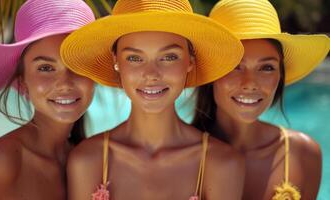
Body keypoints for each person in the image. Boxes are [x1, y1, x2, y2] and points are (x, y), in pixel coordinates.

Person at [60, 0, 246, 199]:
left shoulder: (222, 164)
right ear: (116, 62)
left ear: (190, 62)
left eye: (168, 57)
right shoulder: (86, 160)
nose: (151, 74)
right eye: (134, 58)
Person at [192, 0, 330, 199]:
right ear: (212, 74)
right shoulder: (178, 156)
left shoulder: (303, 153)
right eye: (235, 66)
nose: (250, 83)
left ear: (280, 76)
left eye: (267, 68)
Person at [0, 0, 96, 199]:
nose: (64, 83)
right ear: (23, 83)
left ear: (94, 76)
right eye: (45, 68)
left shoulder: (90, 159)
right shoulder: (1, 160)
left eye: (76, 65)